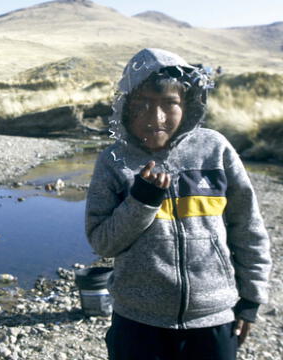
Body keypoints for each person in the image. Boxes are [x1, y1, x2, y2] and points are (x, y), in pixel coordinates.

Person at [85, 48, 271, 360]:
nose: (156, 118)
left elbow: (248, 229)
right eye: (142, 104)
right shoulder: (113, 162)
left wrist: (251, 300)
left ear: (188, 104)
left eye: (169, 104)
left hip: (214, 320)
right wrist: (141, 202)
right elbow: (102, 243)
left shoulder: (215, 150)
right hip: (138, 324)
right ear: (125, 108)